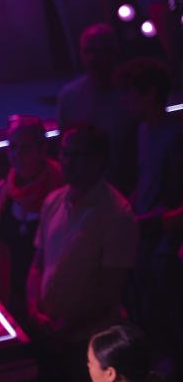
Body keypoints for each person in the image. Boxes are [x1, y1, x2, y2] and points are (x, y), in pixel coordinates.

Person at [27, 125, 139, 346]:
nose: (67, 161)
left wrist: (68, 323)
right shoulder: (52, 201)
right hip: (49, 331)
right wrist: (33, 311)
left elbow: (110, 290)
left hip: (91, 340)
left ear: (98, 160)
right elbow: (38, 265)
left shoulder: (117, 214)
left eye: (76, 155)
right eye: (64, 153)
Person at [115, 57, 183, 354]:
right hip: (146, 235)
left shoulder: (175, 136)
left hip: (164, 241)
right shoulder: (145, 130)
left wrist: (149, 223)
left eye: (130, 92)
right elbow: (147, 180)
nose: (123, 100)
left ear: (151, 93)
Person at [0, 115, 63, 317]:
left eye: (25, 148)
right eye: (13, 147)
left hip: (50, 297)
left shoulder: (59, 190)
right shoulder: (5, 189)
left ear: (42, 149)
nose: (17, 155)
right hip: (13, 295)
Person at [57, 23, 137, 196]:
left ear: (114, 52)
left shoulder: (134, 96)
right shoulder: (68, 98)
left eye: (100, 51)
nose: (93, 58)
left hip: (127, 197)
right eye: (88, 51)